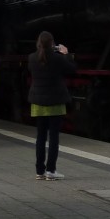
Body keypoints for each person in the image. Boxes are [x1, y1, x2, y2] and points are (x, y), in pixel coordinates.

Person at [28, 31, 75, 181]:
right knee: (53, 137)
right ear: (53, 43)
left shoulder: (32, 58)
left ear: (38, 43)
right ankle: (51, 170)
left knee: (40, 138)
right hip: (55, 101)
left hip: (38, 102)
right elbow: (72, 70)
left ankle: (39, 171)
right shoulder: (58, 58)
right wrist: (66, 54)